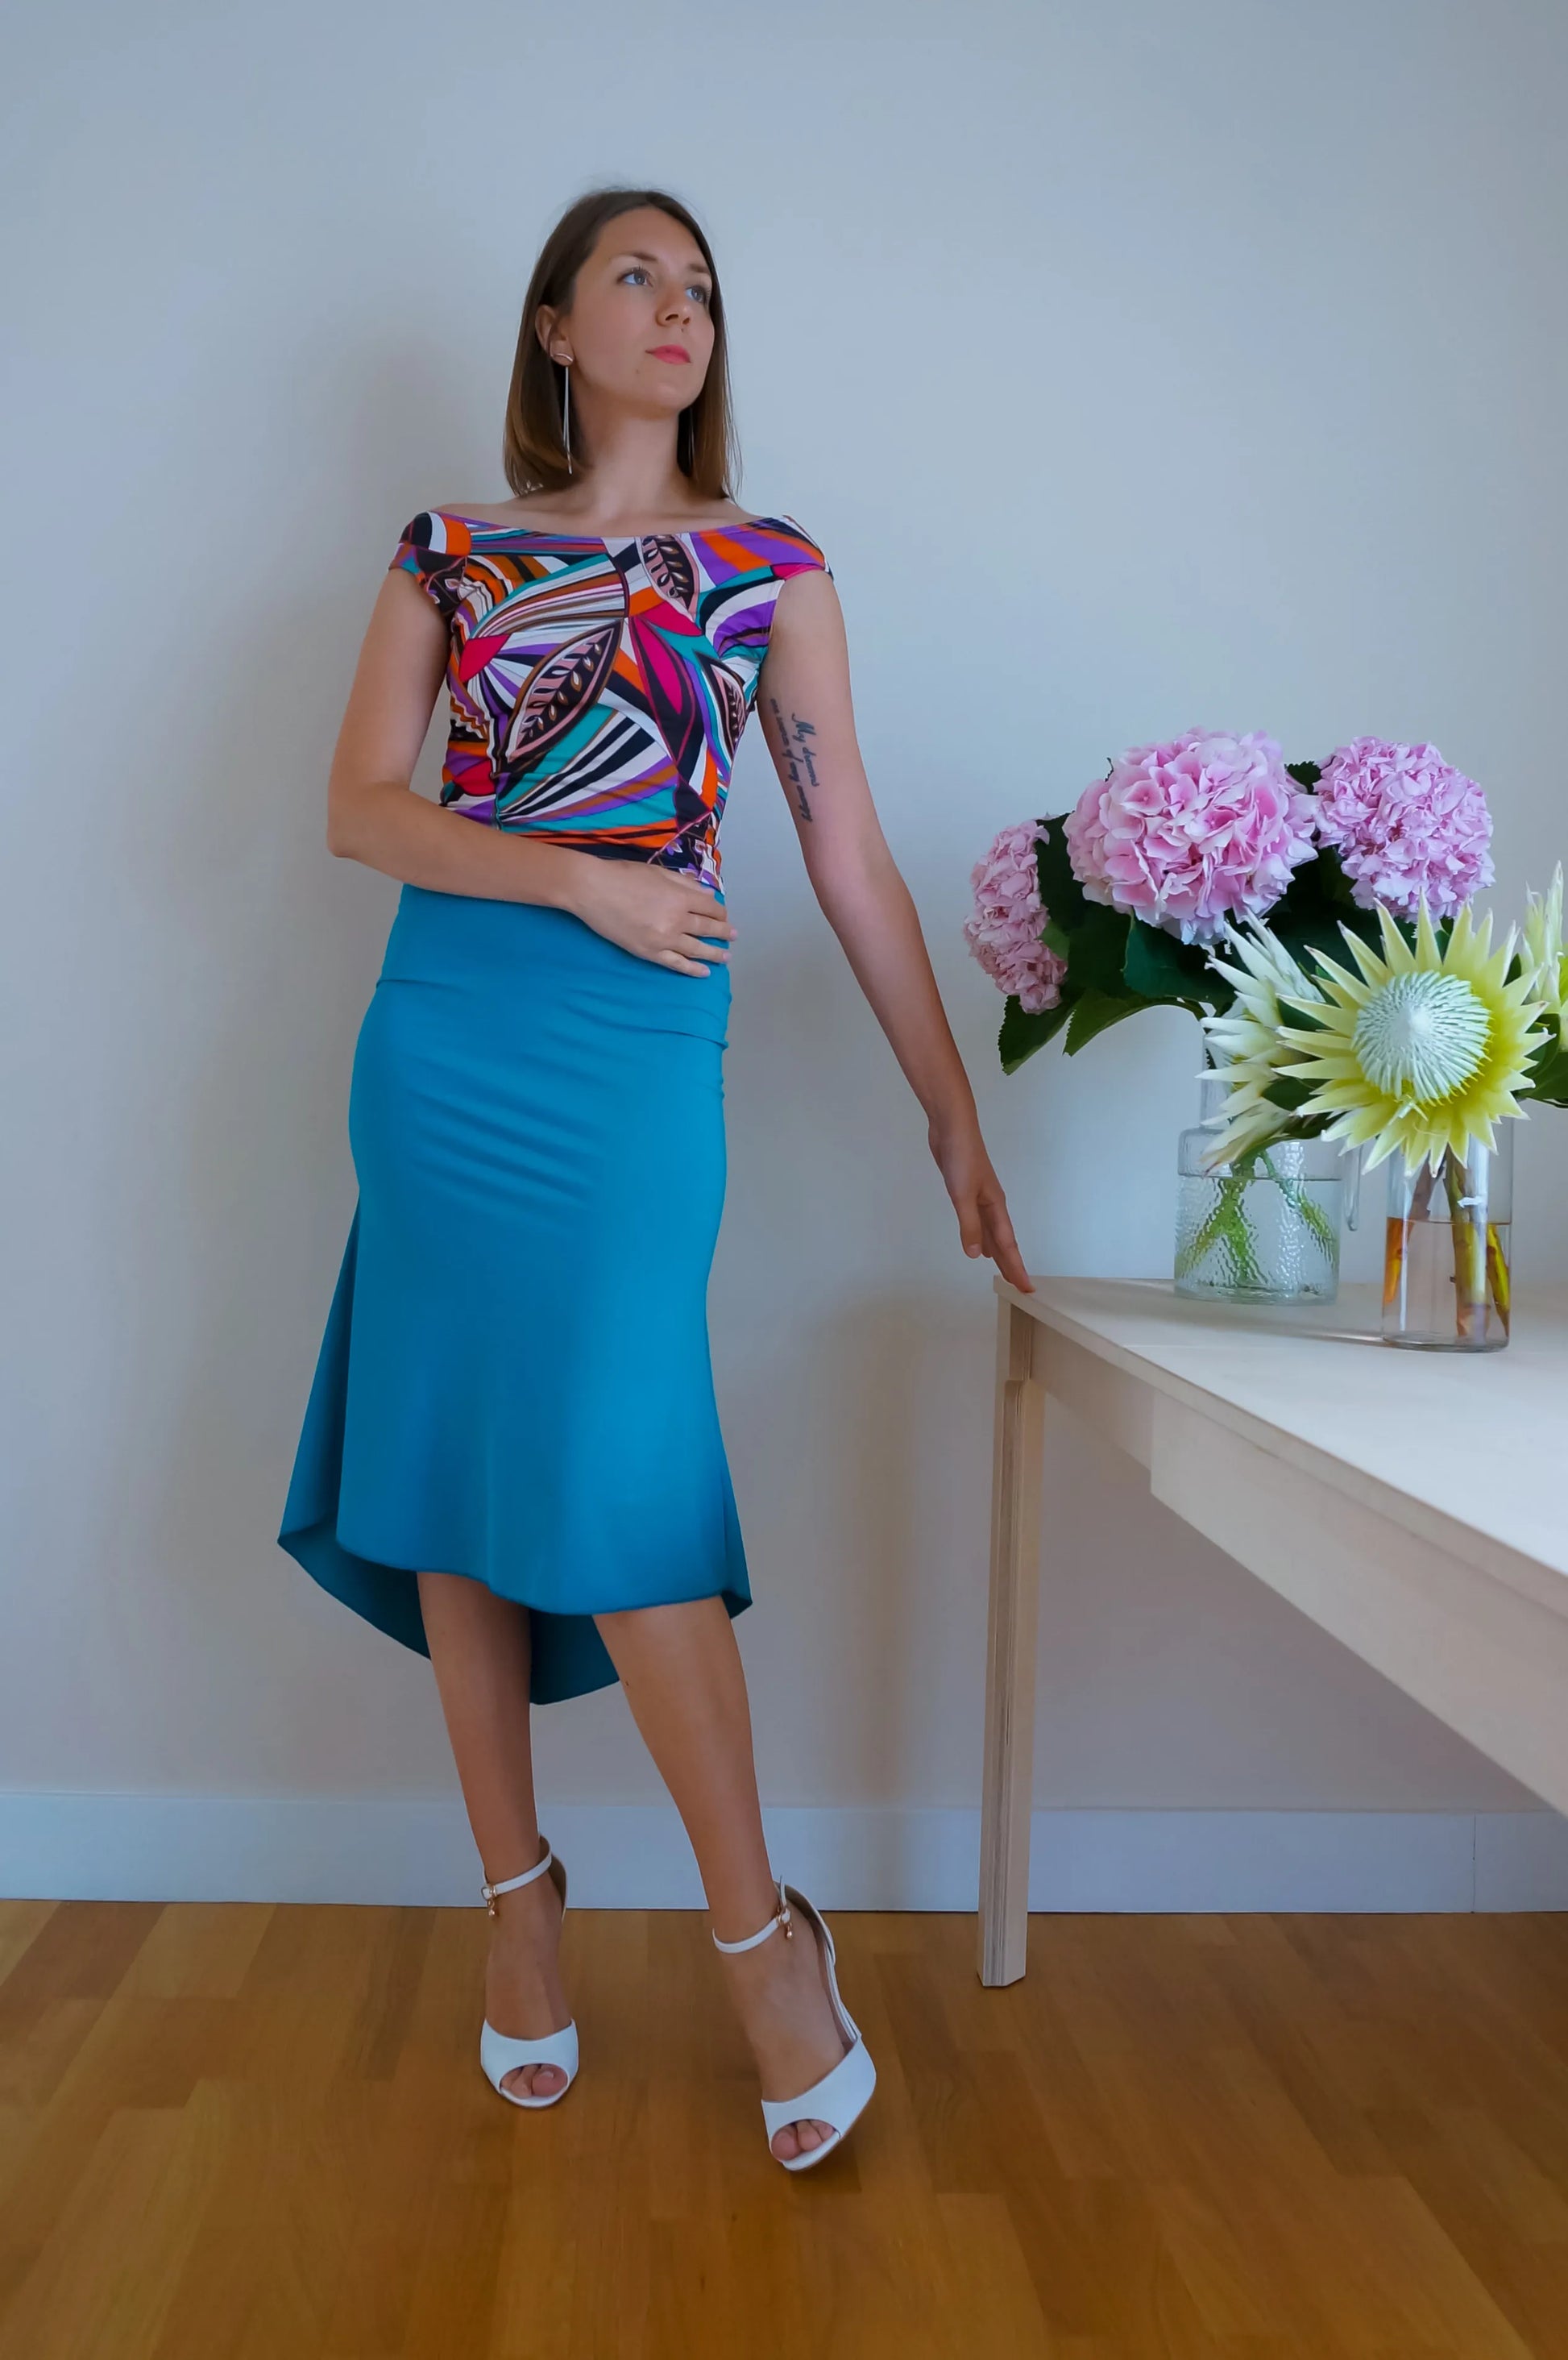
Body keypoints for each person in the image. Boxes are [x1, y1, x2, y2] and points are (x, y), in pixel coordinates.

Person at [278, 182, 1032, 2173]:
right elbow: (358, 808)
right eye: (634, 274)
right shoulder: (451, 550)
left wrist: (948, 1110)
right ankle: (517, 1907)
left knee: (617, 1468)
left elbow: (846, 857)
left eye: (698, 283)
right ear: (554, 326)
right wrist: (577, 880)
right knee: (446, 1464)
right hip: (446, 1035)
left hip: (628, 1067)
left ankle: (759, 1938)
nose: (676, 306)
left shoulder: (767, 569)